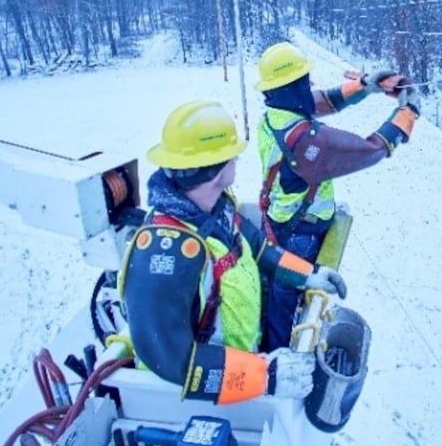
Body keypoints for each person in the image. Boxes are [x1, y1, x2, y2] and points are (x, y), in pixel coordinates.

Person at [120, 100, 348, 405]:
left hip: (237, 378)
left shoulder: (217, 208)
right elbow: (170, 358)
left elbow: (259, 249)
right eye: (233, 156)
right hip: (190, 402)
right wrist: (265, 376)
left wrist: (311, 276)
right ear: (216, 169)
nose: (237, 161)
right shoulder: (170, 252)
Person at [255, 41, 420, 349]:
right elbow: (371, 149)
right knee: (286, 306)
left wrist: (365, 85)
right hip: (298, 232)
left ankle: (274, 346)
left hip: (284, 224)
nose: (310, 85)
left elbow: (321, 101)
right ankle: (276, 359)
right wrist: (407, 114)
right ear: (291, 87)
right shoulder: (302, 140)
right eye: (304, 81)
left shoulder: (277, 113)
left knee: (282, 300)